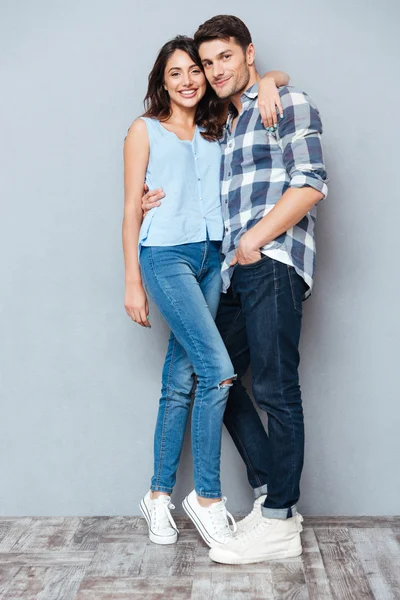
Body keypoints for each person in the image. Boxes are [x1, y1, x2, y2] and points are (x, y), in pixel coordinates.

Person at [142, 15, 328, 563]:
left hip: (270, 261)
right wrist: (151, 201)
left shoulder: (286, 101)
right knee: (217, 377)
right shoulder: (228, 118)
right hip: (232, 273)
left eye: (226, 57)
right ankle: (273, 493)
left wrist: (254, 240)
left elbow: (311, 183)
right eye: (208, 62)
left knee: (275, 388)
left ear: (248, 53)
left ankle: (278, 523)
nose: (215, 70)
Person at [122, 35, 289, 548]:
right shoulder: (144, 130)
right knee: (218, 372)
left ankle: (156, 496)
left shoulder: (222, 127)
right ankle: (208, 498)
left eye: (195, 70)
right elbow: (131, 207)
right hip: (166, 258)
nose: (189, 80)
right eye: (176, 73)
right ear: (162, 81)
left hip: (213, 260)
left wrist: (265, 81)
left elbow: (277, 80)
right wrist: (133, 280)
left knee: (181, 379)